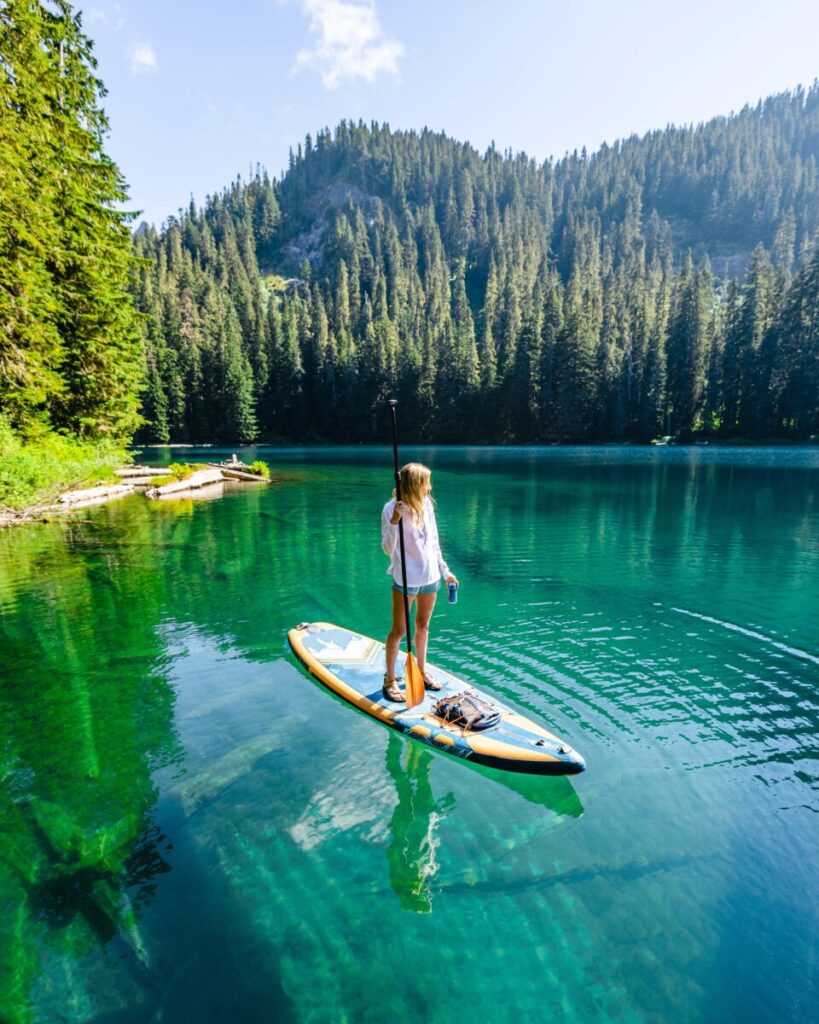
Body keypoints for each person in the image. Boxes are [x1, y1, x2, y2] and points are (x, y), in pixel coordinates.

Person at [381, 462, 458, 702]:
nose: (430, 486)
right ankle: (390, 680)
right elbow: (387, 549)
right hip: (405, 579)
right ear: (415, 484)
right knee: (399, 630)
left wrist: (445, 572)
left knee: (423, 626)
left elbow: (434, 542)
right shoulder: (391, 508)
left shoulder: (426, 505)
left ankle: (422, 671)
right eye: (426, 481)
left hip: (430, 577)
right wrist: (394, 521)